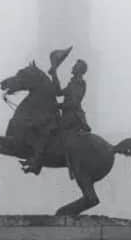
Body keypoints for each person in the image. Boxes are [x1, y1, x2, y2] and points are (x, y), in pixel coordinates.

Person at [25, 47, 88, 175]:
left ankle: (37, 163)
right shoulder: (73, 83)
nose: (73, 67)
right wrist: (54, 74)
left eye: (75, 66)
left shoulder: (80, 83)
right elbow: (58, 92)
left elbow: (74, 103)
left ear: (79, 70)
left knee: (46, 129)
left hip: (73, 117)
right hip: (67, 115)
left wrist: (58, 106)